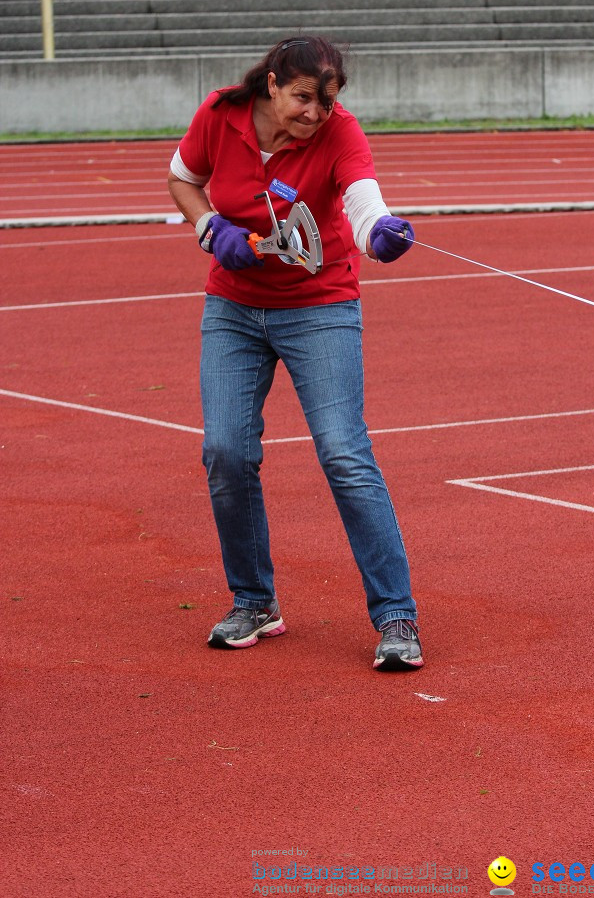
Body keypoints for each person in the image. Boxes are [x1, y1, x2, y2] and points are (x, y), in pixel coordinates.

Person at [167, 36, 423, 672]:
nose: (315, 113)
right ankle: (254, 601)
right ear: (273, 84)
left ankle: (397, 616)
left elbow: (364, 202)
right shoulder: (219, 115)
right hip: (233, 309)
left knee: (343, 451)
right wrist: (210, 229)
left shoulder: (339, 133)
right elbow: (181, 178)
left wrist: (380, 235)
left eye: (328, 101)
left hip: (319, 307)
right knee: (226, 451)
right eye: (304, 98)